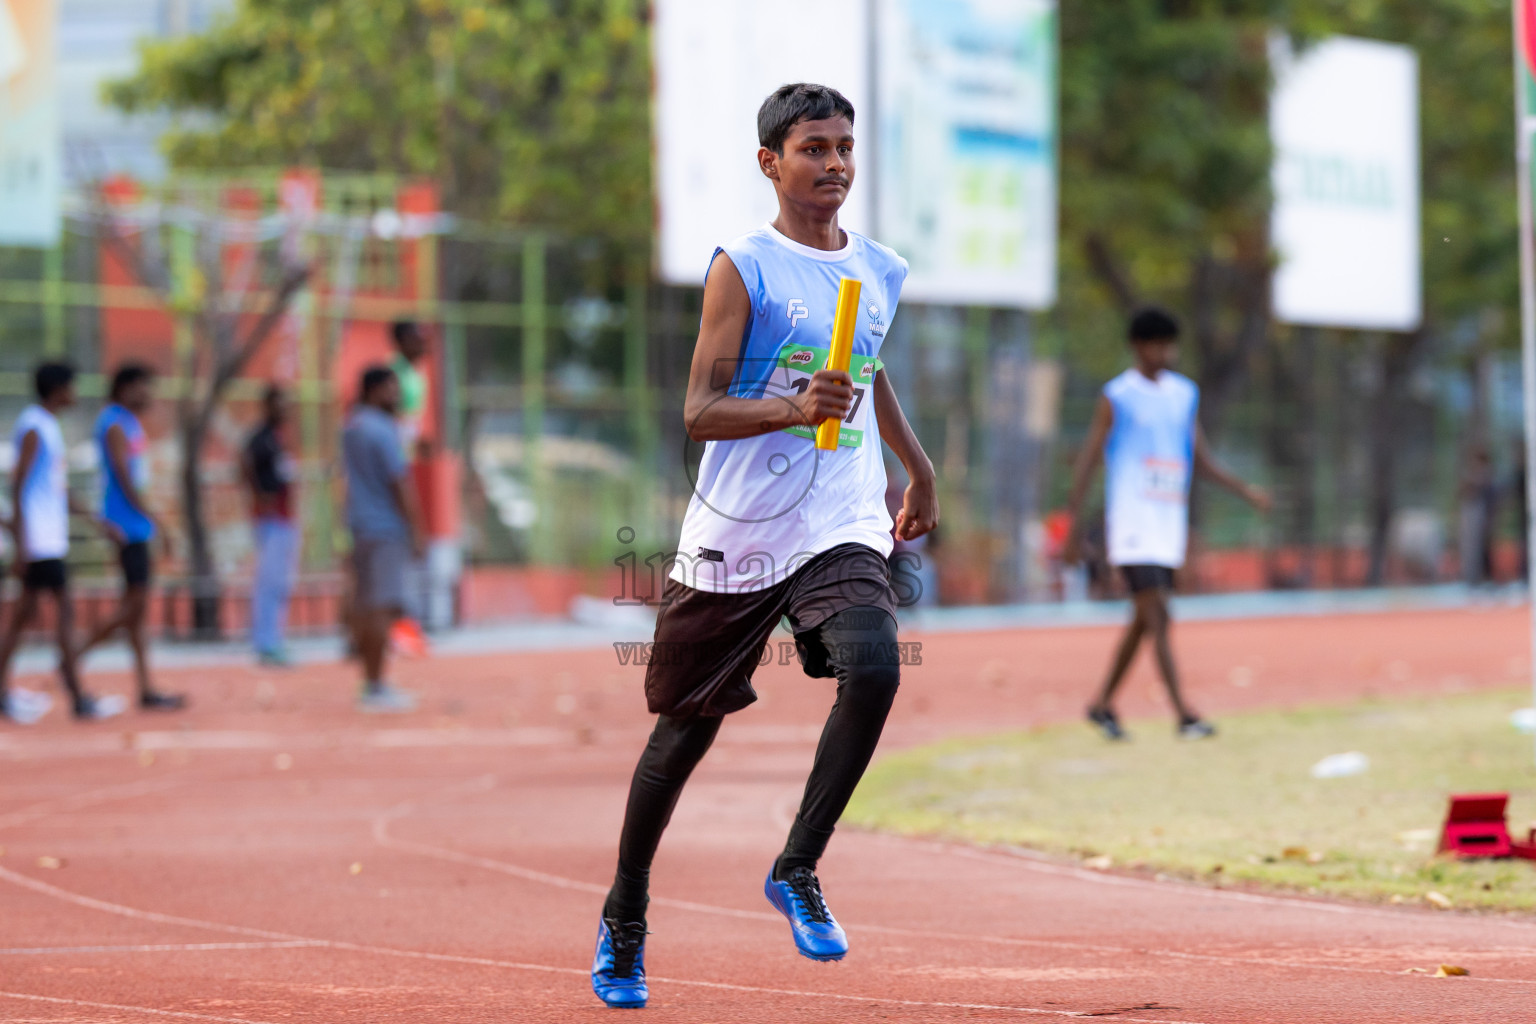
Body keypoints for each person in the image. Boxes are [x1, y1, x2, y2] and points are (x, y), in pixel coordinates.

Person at [591, 83, 938, 1009]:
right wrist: (792, 406)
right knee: (683, 730)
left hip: (840, 519)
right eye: (813, 148)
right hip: (740, 532)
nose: (834, 164)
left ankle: (798, 866)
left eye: (844, 147)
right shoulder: (742, 268)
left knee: (875, 666)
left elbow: (868, 366)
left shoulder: (881, 269)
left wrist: (917, 467)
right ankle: (626, 913)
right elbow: (699, 411)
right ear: (770, 162)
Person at [1065, 308, 1269, 742]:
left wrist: (1245, 491)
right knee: (1158, 612)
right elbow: (1088, 461)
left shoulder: (1184, 394)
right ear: (1138, 346)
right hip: (1132, 522)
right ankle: (1184, 715)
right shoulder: (1117, 396)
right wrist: (1073, 527)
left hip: (1167, 524)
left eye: (1169, 345)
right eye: (1156, 344)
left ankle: (1101, 704)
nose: (1165, 353)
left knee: (1144, 619)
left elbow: (1201, 458)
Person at [0, 362, 125, 723]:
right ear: (58, 389)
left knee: (24, 618)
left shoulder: (49, 427)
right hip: (39, 541)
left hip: (46, 540)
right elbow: (18, 485)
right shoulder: (34, 427)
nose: (76, 393)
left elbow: (57, 489)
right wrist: (22, 542)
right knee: (61, 615)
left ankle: (18, 693)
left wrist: (97, 521)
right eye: (72, 386)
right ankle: (78, 696)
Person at [74, 364, 185, 711]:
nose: (149, 394)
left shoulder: (128, 422)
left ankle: (145, 687)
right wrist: (158, 521)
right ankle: (73, 654)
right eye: (143, 386)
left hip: (135, 524)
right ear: (124, 388)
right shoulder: (113, 423)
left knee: (136, 614)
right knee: (132, 607)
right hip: (126, 525)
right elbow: (124, 478)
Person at [342, 365, 424, 713]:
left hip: (359, 526)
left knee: (365, 605)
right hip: (385, 528)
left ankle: (370, 681)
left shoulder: (351, 426)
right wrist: (417, 529)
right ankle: (375, 685)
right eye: (391, 389)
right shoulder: (384, 430)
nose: (396, 396)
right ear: (373, 390)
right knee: (381, 607)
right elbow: (399, 482)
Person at [243, 384, 298, 666]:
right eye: (279, 402)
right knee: (269, 581)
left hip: (285, 517)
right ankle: (265, 642)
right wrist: (258, 497)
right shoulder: (261, 438)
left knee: (282, 582)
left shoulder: (280, 436)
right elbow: (245, 464)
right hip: (271, 518)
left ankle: (275, 637)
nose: (284, 408)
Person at [386, 319, 430, 655]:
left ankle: (402, 625)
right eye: (417, 338)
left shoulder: (417, 377)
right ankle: (390, 626)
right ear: (401, 341)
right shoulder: (392, 375)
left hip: (407, 468)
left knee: (406, 549)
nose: (423, 343)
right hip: (391, 472)